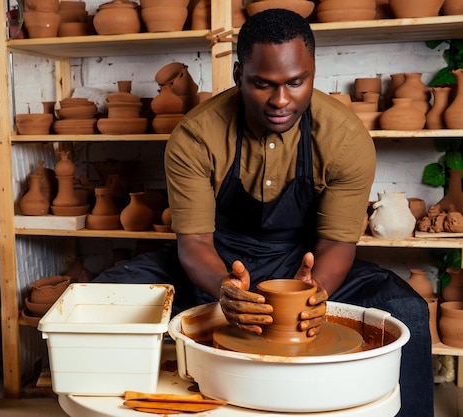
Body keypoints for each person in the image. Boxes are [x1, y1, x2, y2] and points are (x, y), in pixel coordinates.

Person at [94, 8, 433, 417]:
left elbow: (336, 244)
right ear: (239, 75)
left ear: (312, 72)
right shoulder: (196, 135)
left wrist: (313, 292)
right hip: (218, 261)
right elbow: (194, 242)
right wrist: (224, 287)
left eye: (296, 82)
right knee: (103, 297)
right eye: (262, 84)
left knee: (409, 309)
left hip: (304, 261)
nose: (281, 100)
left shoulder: (344, 138)